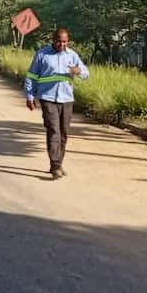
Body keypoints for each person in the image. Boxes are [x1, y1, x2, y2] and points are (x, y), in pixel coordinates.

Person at [24, 28, 90, 180]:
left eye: (65, 41)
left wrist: (78, 70)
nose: (62, 44)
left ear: (68, 41)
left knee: (63, 133)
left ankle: (58, 163)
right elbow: (31, 76)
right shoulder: (42, 55)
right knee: (53, 131)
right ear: (53, 40)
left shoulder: (72, 55)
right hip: (48, 98)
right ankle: (55, 166)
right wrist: (29, 95)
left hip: (66, 99)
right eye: (59, 41)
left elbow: (86, 74)